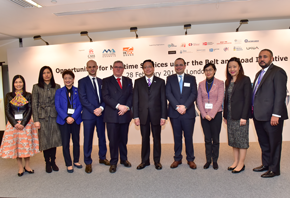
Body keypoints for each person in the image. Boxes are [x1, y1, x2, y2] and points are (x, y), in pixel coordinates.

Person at [252, 49, 288, 178]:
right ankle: (266, 164)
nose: (262, 59)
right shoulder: (258, 73)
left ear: (272, 58)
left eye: (265, 57)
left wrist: (276, 114)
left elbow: (280, 94)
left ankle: (274, 169)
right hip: (259, 115)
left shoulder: (278, 72)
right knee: (264, 142)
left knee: (274, 143)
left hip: (272, 116)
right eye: (260, 57)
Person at [0, 75, 39, 176]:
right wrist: (15, 123)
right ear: (13, 84)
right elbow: (7, 111)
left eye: (20, 82)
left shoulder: (28, 95)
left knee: (26, 145)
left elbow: (30, 109)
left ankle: (27, 166)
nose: (18, 84)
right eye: (16, 82)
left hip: (26, 124)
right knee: (17, 146)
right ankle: (20, 167)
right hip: (13, 125)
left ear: (23, 83)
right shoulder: (9, 95)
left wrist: (23, 123)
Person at [133, 59, 167, 170]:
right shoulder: (138, 82)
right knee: (144, 139)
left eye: (150, 66)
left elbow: (163, 100)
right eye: (145, 67)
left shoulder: (161, 82)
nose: (148, 69)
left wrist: (163, 116)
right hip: (143, 116)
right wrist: (136, 116)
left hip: (156, 115)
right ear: (143, 69)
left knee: (157, 139)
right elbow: (135, 100)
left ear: (153, 68)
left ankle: (157, 161)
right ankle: (144, 161)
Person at [166, 58, 197, 169]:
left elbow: (194, 93)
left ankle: (190, 159)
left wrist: (185, 106)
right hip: (174, 113)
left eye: (180, 65)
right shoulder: (170, 79)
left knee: (188, 137)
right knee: (177, 136)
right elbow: (168, 93)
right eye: (176, 65)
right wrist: (176, 107)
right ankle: (177, 158)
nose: (178, 67)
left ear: (184, 66)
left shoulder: (191, 78)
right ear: (174, 67)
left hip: (188, 113)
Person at [78, 60, 109, 174]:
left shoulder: (102, 82)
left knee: (102, 137)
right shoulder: (82, 82)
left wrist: (101, 108)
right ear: (86, 68)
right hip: (88, 115)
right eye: (89, 67)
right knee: (88, 139)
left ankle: (102, 157)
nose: (92, 68)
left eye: (94, 67)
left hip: (101, 115)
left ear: (97, 67)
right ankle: (88, 161)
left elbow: (106, 97)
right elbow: (83, 98)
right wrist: (93, 110)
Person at [102, 60, 133, 173]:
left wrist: (127, 107)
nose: (118, 69)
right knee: (113, 140)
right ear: (113, 68)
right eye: (116, 67)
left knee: (123, 139)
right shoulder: (106, 81)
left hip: (125, 114)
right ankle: (114, 162)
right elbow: (105, 96)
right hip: (112, 115)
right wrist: (118, 106)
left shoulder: (128, 80)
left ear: (123, 68)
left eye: (120, 67)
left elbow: (131, 95)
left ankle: (124, 159)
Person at [223, 57, 252, 173]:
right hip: (230, 116)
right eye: (230, 67)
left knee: (242, 141)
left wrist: (244, 117)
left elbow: (247, 99)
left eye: (234, 66)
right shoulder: (228, 81)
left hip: (241, 116)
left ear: (239, 67)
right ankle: (235, 161)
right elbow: (227, 100)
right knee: (234, 140)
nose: (232, 69)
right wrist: (225, 115)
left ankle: (241, 163)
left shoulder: (245, 80)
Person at [32, 66, 62, 173]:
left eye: (48, 72)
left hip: (54, 116)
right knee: (45, 141)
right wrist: (36, 120)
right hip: (42, 117)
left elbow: (60, 103)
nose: (46, 75)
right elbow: (34, 104)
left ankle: (53, 161)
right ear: (41, 75)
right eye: (44, 73)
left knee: (53, 140)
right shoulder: (36, 87)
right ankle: (47, 163)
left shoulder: (57, 86)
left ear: (51, 74)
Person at [197, 63, 224, 170]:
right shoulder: (200, 84)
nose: (208, 72)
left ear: (214, 71)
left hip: (216, 115)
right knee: (207, 139)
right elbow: (199, 100)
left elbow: (220, 100)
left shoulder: (220, 83)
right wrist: (204, 114)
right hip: (204, 116)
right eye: (206, 70)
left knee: (215, 139)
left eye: (210, 70)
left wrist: (211, 114)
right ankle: (208, 160)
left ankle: (215, 160)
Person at [55, 70, 83, 173]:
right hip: (63, 121)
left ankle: (76, 161)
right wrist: (66, 117)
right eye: (65, 78)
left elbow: (81, 105)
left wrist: (73, 117)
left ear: (73, 79)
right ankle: (68, 163)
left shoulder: (77, 90)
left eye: (70, 78)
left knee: (76, 141)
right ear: (63, 79)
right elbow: (57, 106)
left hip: (75, 120)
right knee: (65, 142)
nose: (68, 80)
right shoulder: (59, 91)